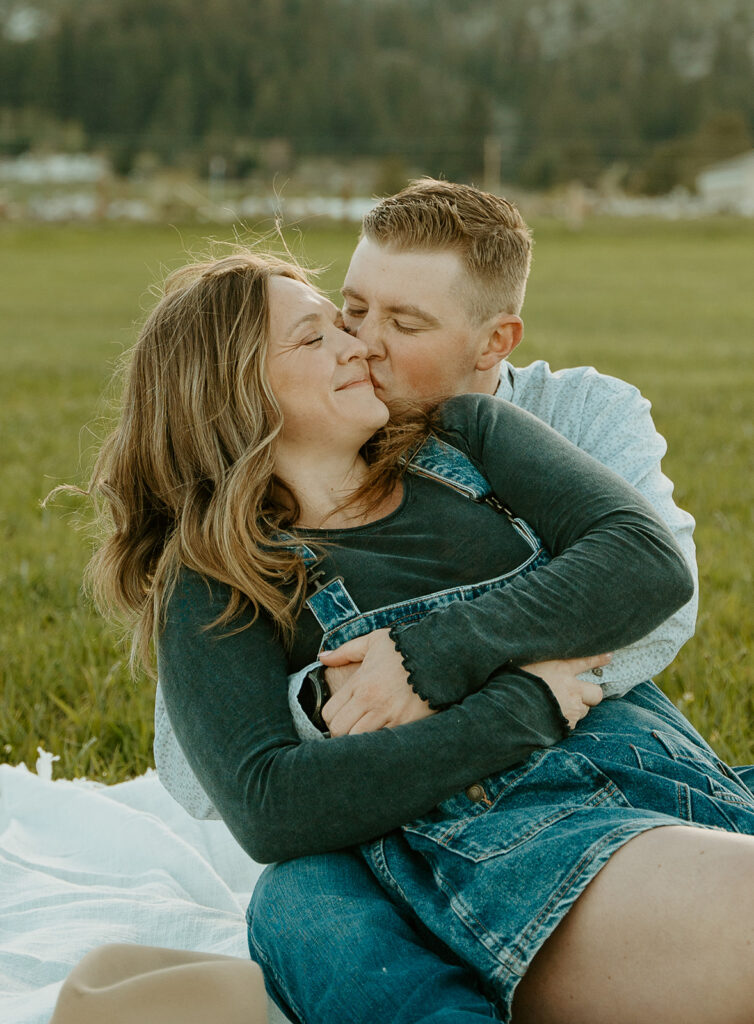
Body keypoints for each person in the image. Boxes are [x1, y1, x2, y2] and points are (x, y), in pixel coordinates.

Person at [82, 245, 754, 1024]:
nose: (357, 345)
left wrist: (429, 657)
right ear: (233, 390)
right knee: (296, 899)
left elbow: (644, 565)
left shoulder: (470, 437)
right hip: (522, 841)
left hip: (673, 771)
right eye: (315, 337)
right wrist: (522, 705)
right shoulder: (214, 582)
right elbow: (269, 804)